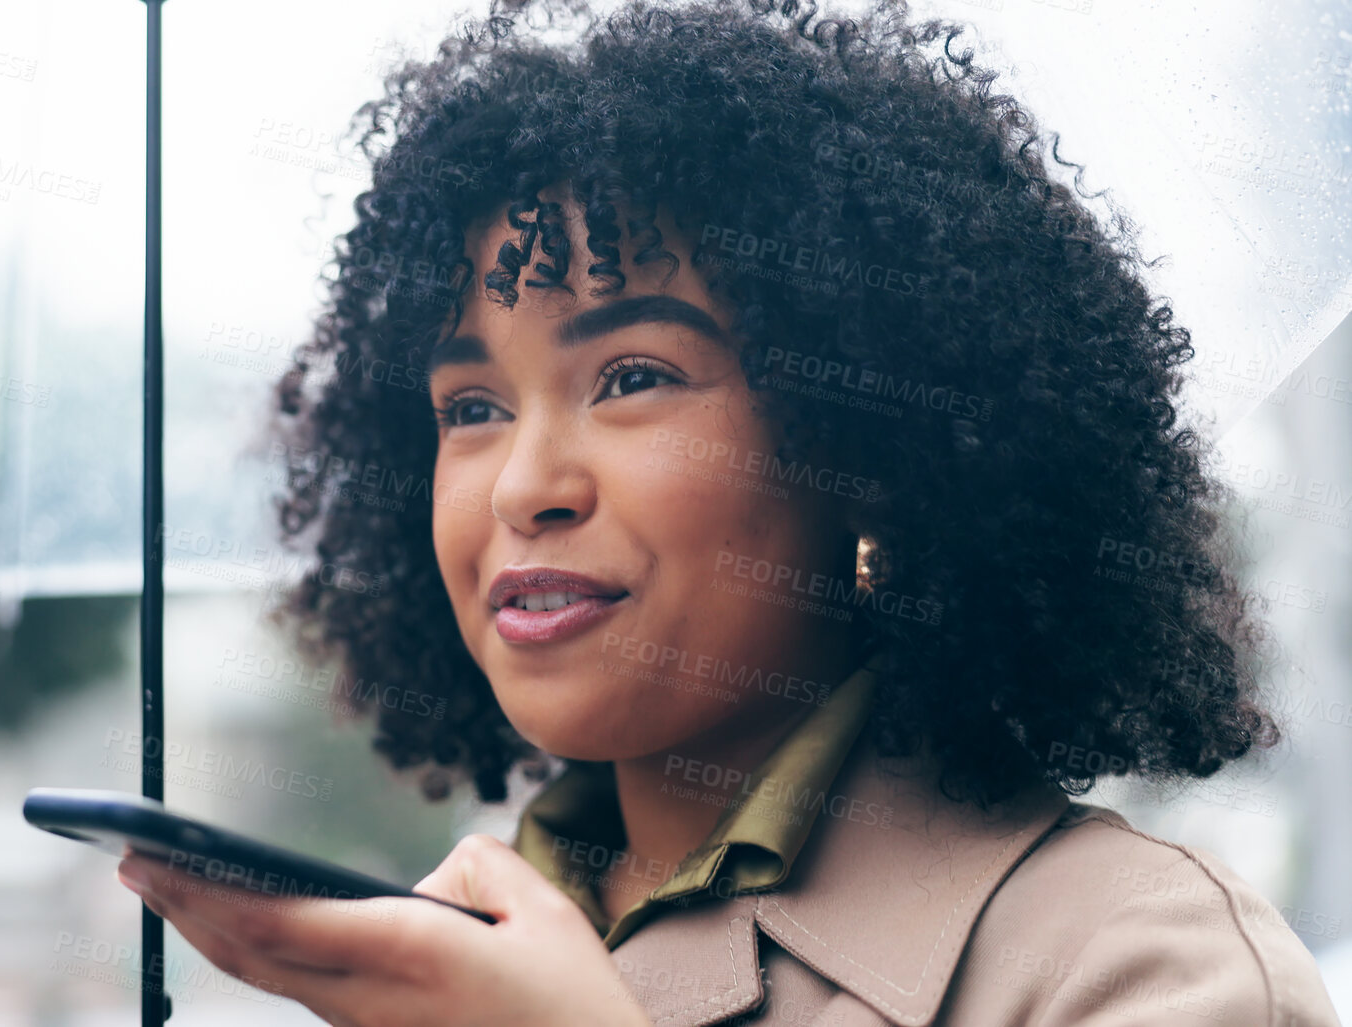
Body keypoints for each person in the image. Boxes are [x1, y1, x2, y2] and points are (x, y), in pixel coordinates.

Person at [115, 0, 1343, 1022]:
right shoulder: (440, 957)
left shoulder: (1143, 967)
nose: (523, 483)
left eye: (633, 378)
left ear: (867, 447)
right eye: (469, 406)